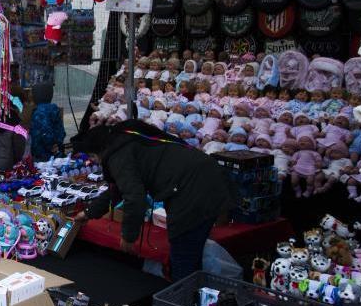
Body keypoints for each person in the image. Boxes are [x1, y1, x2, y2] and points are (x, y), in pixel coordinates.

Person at [71, 119, 237, 281]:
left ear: (96, 153)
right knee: (189, 253)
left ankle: (181, 303)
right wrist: (87, 213)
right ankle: (194, 297)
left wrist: (128, 236)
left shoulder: (119, 155)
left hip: (193, 189)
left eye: (92, 158)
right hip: (205, 180)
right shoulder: (124, 141)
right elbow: (118, 190)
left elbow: (134, 197)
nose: (94, 162)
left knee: (183, 256)